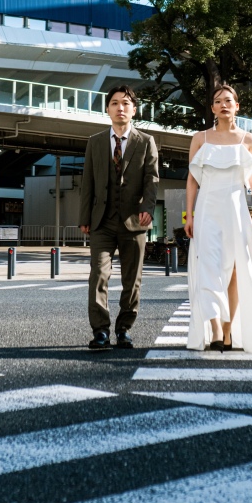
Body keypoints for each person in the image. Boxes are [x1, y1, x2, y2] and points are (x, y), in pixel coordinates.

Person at [184, 84, 252, 353]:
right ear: (212, 108)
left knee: (235, 272)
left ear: (237, 106)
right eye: (218, 101)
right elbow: (192, 181)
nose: (223, 104)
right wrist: (190, 215)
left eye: (228, 100)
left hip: (235, 208)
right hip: (207, 208)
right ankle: (215, 328)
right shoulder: (200, 138)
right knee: (208, 265)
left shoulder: (248, 140)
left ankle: (228, 332)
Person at [79, 84, 159, 351]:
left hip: (135, 222)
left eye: (125, 103)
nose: (120, 107)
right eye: (115, 103)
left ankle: (124, 329)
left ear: (134, 110)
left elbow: (151, 179)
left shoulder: (146, 142)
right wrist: (84, 215)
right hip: (101, 220)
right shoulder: (95, 141)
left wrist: (148, 206)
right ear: (107, 109)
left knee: (132, 280)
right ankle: (100, 331)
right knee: (98, 275)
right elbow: (87, 181)